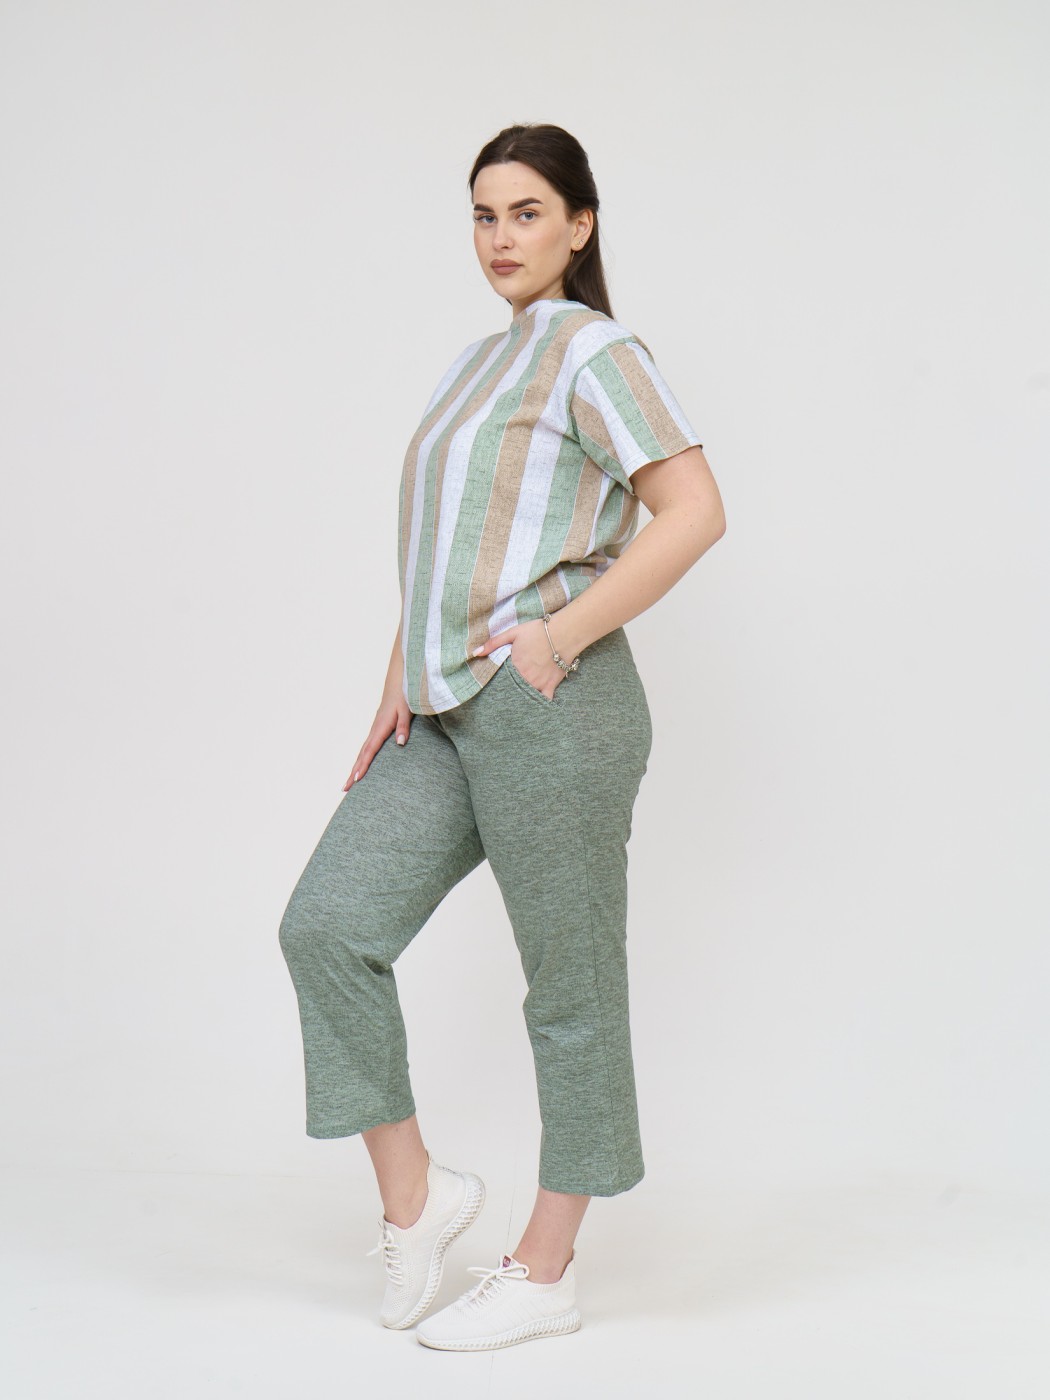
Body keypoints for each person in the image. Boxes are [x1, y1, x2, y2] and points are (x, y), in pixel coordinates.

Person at [278, 121, 726, 1352]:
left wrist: (560, 636)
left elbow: (694, 510)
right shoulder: (474, 363)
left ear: (580, 224)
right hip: (443, 705)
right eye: (483, 215)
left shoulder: (596, 351)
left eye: (527, 212)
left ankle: (546, 1265)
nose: (500, 237)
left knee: (568, 985)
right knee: (325, 926)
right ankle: (417, 1199)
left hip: (553, 705)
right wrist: (398, 675)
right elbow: (445, 547)